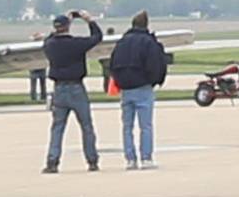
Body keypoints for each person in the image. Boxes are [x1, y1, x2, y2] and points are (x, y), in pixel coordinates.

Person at [42, 11, 104, 173]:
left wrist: (64, 20)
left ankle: (52, 161)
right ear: (68, 27)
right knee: (86, 126)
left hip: (59, 89)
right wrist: (89, 20)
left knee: (57, 127)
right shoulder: (76, 44)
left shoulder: (50, 45)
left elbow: (48, 39)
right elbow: (97, 37)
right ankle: (92, 160)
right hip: (76, 87)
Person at [109, 11, 168, 170]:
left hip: (126, 89)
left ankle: (130, 159)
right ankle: (146, 158)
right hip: (143, 87)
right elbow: (156, 64)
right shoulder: (149, 42)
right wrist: (155, 80)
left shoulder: (121, 42)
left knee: (127, 126)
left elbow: (113, 64)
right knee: (146, 126)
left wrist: (120, 81)